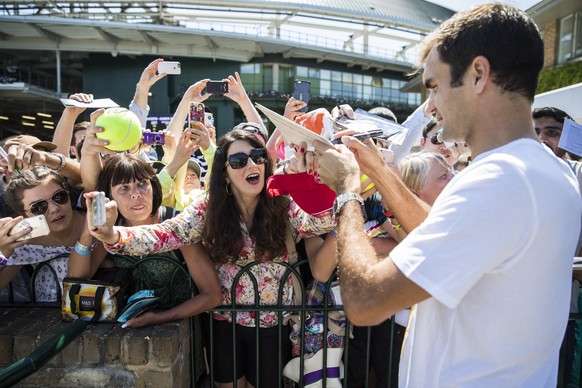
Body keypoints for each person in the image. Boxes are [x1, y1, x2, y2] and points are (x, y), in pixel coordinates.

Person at [314, 4, 581, 386]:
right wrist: (380, 173)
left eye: (435, 86)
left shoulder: (497, 181)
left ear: (477, 75)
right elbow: (449, 233)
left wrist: (348, 192)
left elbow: (365, 302)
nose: (432, 106)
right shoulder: (551, 172)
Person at [87, 129, 334, 387]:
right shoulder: (208, 209)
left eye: (258, 156)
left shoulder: (283, 203)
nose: (251, 164)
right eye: (239, 161)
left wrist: (308, 180)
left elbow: (320, 223)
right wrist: (113, 235)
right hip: (223, 323)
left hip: (272, 325)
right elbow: (166, 233)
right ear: (225, 175)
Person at [0, 167, 93, 301]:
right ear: (24, 215)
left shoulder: (94, 223)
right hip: (45, 316)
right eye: (39, 207)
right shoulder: (21, 243)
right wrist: (1, 254)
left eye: (59, 197)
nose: (55, 209)